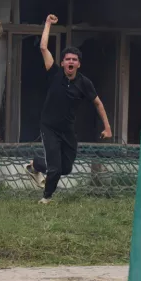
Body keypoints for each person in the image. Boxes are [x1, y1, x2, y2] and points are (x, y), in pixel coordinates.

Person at [24, 14, 112, 204]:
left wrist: (107, 127)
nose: (70, 62)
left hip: (68, 129)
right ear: (62, 63)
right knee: (55, 168)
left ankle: (34, 165)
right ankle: (45, 199)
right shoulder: (54, 73)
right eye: (67, 59)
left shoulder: (84, 83)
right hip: (49, 126)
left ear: (78, 64)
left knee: (66, 168)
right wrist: (47, 23)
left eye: (74, 59)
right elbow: (43, 47)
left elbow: (98, 103)